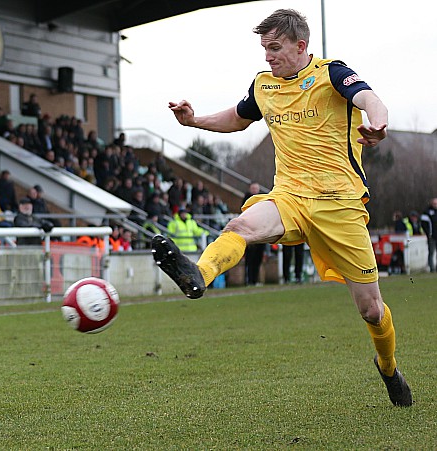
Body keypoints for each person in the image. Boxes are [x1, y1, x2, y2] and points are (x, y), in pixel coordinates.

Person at [151, 9, 412, 407]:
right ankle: (198, 274)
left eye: (275, 48)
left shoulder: (332, 74)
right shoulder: (263, 85)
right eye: (264, 49)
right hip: (288, 196)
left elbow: (369, 99)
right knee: (240, 225)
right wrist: (193, 121)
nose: (268, 57)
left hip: (339, 205)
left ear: (300, 46)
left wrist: (378, 124)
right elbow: (238, 119)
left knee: (372, 310)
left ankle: (388, 367)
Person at [242, 182, 265, 286]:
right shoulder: (246, 200)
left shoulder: (262, 199)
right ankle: (249, 279)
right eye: (253, 188)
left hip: (261, 231)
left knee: (258, 257)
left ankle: (255, 280)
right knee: (250, 257)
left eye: (256, 188)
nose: (255, 190)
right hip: (250, 231)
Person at [423, 198, 437, 272]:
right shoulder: (427, 212)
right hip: (432, 237)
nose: (435, 205)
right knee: (431, 252)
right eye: (434, 203)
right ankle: (432, 269)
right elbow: (424, 224)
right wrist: (428, 234)